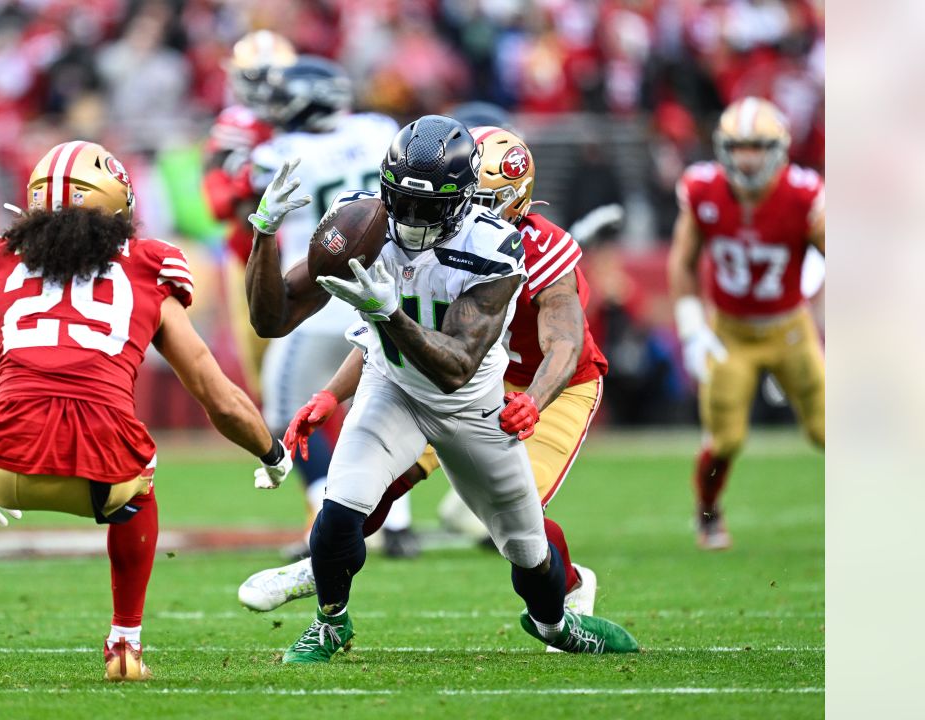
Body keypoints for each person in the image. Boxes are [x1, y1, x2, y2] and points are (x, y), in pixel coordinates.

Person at [241, 115, 637, 661]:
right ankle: (331, 619)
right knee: (340, 511)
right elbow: (272, 318)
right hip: (395, 388)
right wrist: (262, 233)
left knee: (526, 546)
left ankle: (557, 621)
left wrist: (388, 314)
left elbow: (459, 365)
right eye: (399, 198)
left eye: (428, 204)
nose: (408, 217)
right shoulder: (367, 221)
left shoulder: (497, 244)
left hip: (477, 400)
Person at [0, 140, 292, 684]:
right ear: (115, 204)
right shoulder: (152, 266)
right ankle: (125, 644)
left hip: (7, 462)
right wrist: (271, 452)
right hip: (106, 471)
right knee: (140, 491)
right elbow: (212, 389)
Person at [245, 56, 422, 559]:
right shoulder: (378, 130)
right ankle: (400, 522)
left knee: (285, 411)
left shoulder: (278, 151)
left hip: (319, 293)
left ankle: (328, 513)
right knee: (386, 405)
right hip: (386, 288)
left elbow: (232, 199)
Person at [668, 96, 825, 550]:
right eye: (737, 147)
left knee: (825, 430)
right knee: (725, 439)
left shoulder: (803, 195)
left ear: (778, 148)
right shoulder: (703, 190)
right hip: (730, 330)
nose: (747, 157)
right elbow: (683, 264)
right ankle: (708, 514)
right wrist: (691, 328)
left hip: (789, 328)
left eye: (756, 146)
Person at [202, 30, 296, 398]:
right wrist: (246, 184)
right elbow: (218, 203)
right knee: (265, 371)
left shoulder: (303, 119)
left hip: (304, 251)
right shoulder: (235, 125)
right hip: (249, 254)